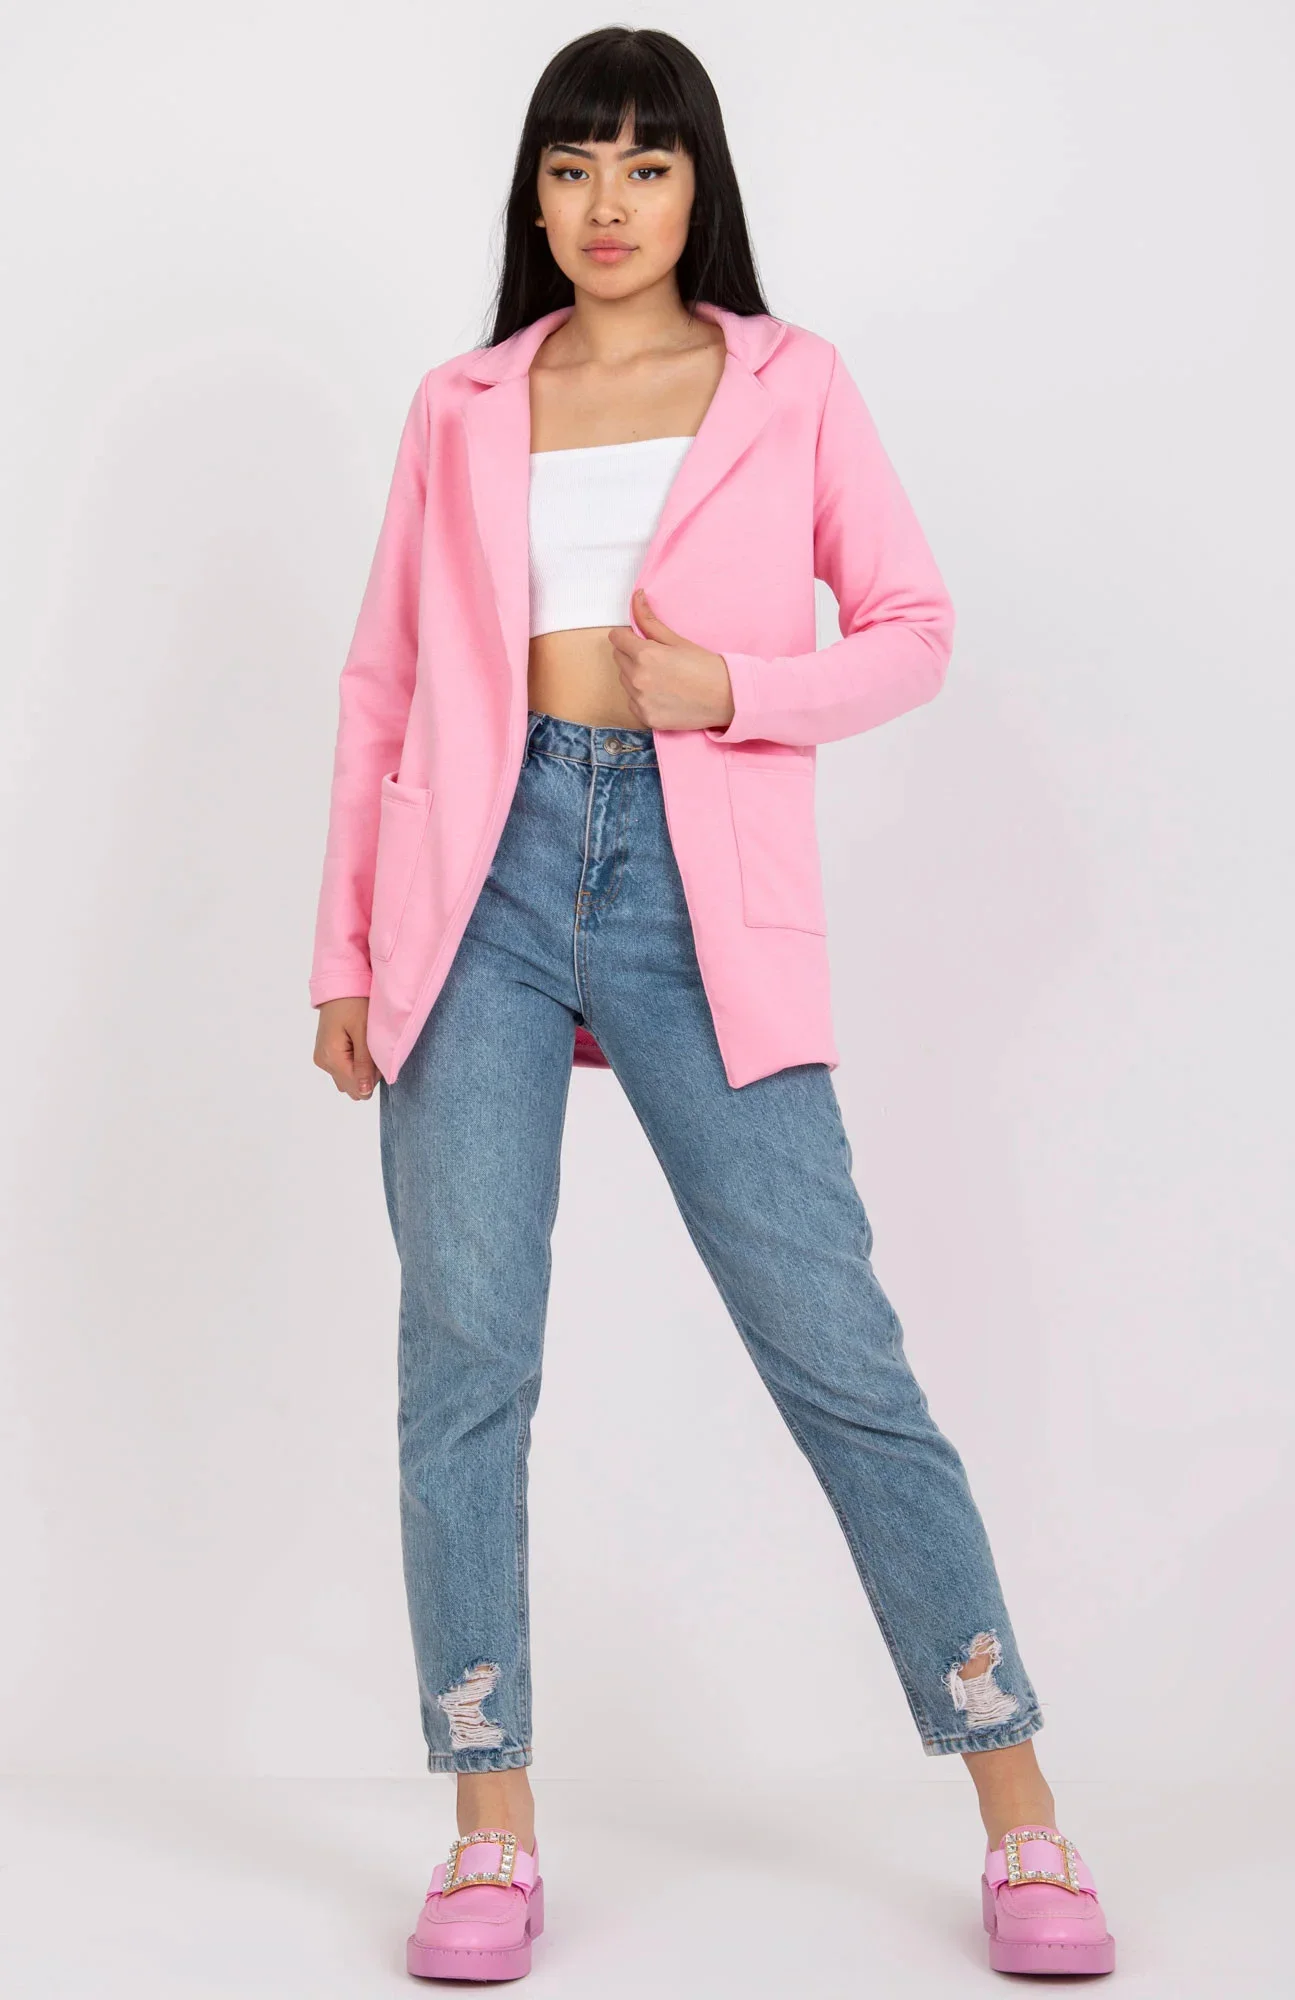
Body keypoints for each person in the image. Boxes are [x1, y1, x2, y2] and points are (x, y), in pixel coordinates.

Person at [308, 24, 1115, 1983]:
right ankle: (487, 1830)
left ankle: (1020, 1802)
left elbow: (912, 631)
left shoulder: (787, 382)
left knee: (837, 1350)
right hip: (476, 891)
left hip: (697, 891)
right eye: (572, 166)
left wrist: (736, 690)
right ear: (534, 195)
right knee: (464, 1358)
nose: (607, 203)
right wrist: (344, 953)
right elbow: (383, 682)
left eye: (645, 165)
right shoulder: (461, 404)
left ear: (698, 186)